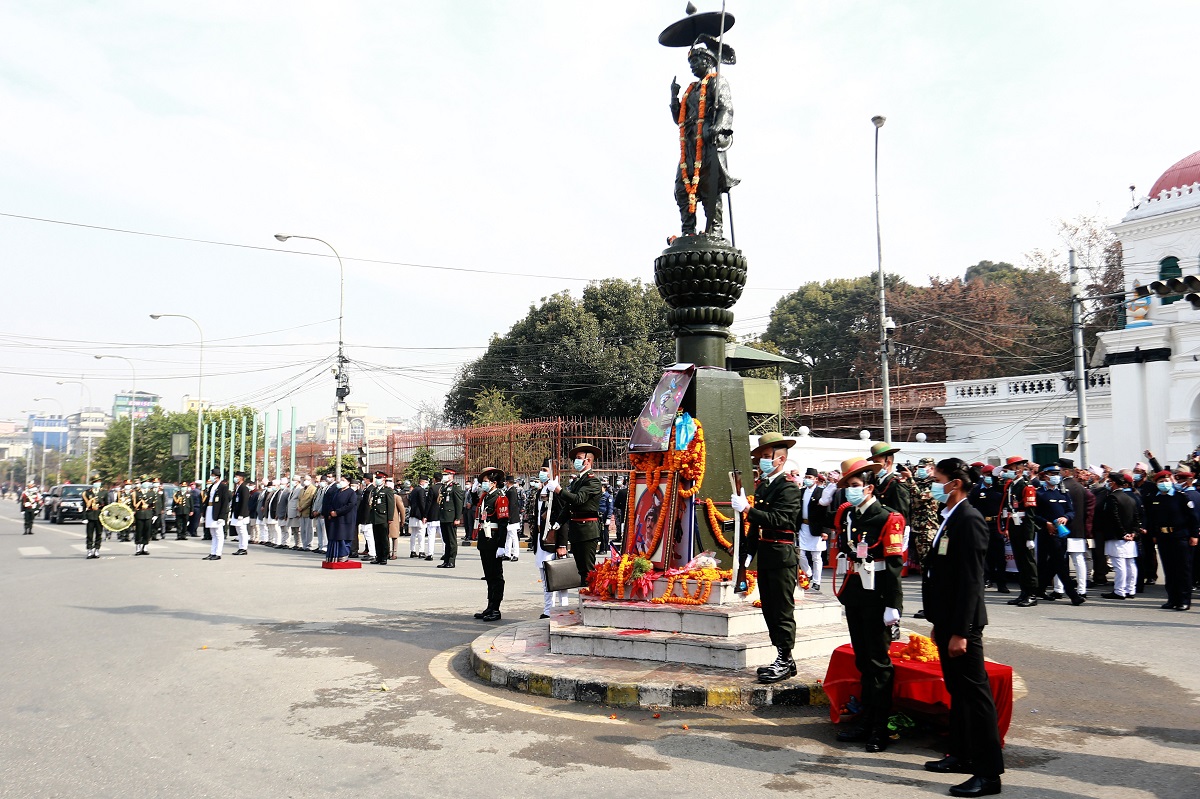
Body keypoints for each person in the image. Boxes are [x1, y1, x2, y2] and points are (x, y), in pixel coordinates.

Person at [921, 458, 1005, 797]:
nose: (933, 485)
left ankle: (988, 773)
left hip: (963, 626)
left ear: (954, 483)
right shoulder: (951, 517)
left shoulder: (968, 519)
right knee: (959, 692)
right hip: (948, 620)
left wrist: (960, 630)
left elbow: (972, 581)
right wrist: (942, 623)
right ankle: (962, 754)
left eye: (937, 479)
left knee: (975, 696)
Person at [831, 457, 905, 753]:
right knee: (863, 660)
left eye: (855, 486)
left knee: (878, 664)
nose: (850, 491)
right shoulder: (850, 516)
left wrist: (893, 605)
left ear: (870, 488)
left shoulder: (888, 518)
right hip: (856, 595)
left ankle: (880, 729)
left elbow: (895, 564)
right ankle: (864, 720)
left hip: (878, 598)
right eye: (848, 486)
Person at [731, 432, 803, 683]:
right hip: (766, 554)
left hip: (782, 557)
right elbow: (757, 526)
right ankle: (784, 658)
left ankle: (784, 657)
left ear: (780, 459)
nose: (761, 461)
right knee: (769, 609)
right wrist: (748, 553)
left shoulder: (788, 488)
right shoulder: (764, 485)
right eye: (760, 457)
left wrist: (749, 510)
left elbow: (782, 520)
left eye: (765, 457)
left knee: (782, 610)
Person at [668, 36, 736, 238]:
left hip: (707, 139)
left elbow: (726, 108)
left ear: (707, 61)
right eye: (690, 63)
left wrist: (718, 127)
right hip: (689, 143)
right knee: (682, 186)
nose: (692, 67)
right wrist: (674, 97)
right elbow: (678, 118)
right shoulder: (691, 89)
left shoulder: (717, 81)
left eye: (695, 62)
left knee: (709, 184)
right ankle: (687, 230)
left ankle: (714, 228)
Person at [548, 443, 603, 587]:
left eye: (579, 458)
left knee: (588, 571)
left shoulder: (593, 481)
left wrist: (559, 490)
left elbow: (578, 499)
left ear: (588, 461)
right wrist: (559, 522)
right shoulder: (578, 480)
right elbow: (569, 505)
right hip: (577, 529)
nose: (575, 461)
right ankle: (583, 600)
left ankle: (590, 601)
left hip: (587, 530)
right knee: (580, 569)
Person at [1144, 469, 1198, 610]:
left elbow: (1193, 518)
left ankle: (1184, 600)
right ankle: (1172, 599)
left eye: (1167, 481)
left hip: (1180, 536)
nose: (1164, 483)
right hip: (1163, 537)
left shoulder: (1181, 497)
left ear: (1171, 481)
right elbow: (1152, 519)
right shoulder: (1155, 499)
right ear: (1156, 484)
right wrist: (1154, 534)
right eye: (1161, 481)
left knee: (1182, 569)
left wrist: (1194, 535)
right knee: (1169, 569)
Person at [1033, 465, 1085, 605]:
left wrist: (1066, 518)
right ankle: (1073, 595)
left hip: (1062, 533)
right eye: (1052, 473)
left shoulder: (1063, 493)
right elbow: (1034, 514)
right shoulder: (1039, 494)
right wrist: (1046, 523)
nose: (1056, 476)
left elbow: (1071, 511)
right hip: (1047, 533)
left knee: (1054, 564)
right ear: (1045, 476)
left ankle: (1040, 589)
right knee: (1059, 564)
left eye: (1057, 473)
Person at [1000, 456, 1039, 607]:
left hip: (1024, 528)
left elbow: (1030, 514)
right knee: (1020, 563)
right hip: (1015, 527)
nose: (1007, 472)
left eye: (1010, 469)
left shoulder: (1026, 486)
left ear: (1019, 469)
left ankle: (1032, 594)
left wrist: (1029, 537)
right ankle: (1024, 592)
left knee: (1028, 563)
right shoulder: (1011, 486)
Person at [533, 460, 568, 618]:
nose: (542, 473)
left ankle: (564, 609)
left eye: (545, 470)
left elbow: (564, 520)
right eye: (541, 470)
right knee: (545, 576)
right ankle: (549, 610)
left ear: (553, 473)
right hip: (543, 539)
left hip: (554, 540)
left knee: (560, 578)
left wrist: (562, 544)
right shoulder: (541, 492)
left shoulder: (557, 492)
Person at [1101, 471, 1142, 601]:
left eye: (1109, 481)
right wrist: (1134, 533)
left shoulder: (1112, 498)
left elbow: (1114, 518)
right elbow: (1136, 518)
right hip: (1129, 537)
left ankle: (1119, 590)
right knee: (1130, 564)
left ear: (1113, 483)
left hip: (1117, 537)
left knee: (1119, 565)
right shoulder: (1130, 498)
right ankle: (1130, 589)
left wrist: (1122, 533)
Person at [473, 467, 508, 621]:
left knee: (496, 575)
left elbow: (503, 524)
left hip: (494, 540)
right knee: (488, 575)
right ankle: (489, 606)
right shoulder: (485, 497)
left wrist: (501, 545)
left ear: (494, 483)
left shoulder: (500, 498)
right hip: (485, 539)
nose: (483, 484)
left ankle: (496, 608)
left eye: (486, 482)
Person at [797, 467, 828, 592]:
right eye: (806, 477)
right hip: (803, 526)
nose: (807, 480)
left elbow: (826, 512)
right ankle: (808, 573)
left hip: (816, 528)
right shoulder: (801, 491)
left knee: (816, 556)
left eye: (810, 478)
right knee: (801, 554)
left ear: (816, 479)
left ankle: (817, 581)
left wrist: (825, 530)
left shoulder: (821, 492)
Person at [323, 474, 357, 562]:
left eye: (343, 480)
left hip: (345, 519)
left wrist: (337, 512)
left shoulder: (351, 492)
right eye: (341, 480)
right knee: (335, 536)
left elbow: (350, 505)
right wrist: (331, 511)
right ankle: (334, 556)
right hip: (335, 519)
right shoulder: (337, 491)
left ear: (348, 482)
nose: (341, 482)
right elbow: (330, 502)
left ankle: (343, 555)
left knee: (343, 538)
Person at [365, 470, 395, 565]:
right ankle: (378, 556)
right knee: (376, 538)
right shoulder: (374, 490)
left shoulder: (388, 490)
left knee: (383, 538)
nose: (377, 480)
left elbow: (390, 505)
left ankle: (384, 557)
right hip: (375, 517)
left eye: (379, 478)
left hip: (383, 517)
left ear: (384, 479)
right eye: (376, 478)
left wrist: (390, 518)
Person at [436, 469, 464, 568]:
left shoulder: (455, 487)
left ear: (451, 475)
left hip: (451, 517)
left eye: (446, 475)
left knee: (452, 540)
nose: (444, 476)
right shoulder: (444, 487)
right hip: (444, 517)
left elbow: (459, 504)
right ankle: (446, 560)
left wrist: (457, 518)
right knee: (446, 540)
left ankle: (451, 560)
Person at [203, 469, 231, 561]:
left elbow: (224, 503)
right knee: (213, 533)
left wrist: (222, 516)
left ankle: (218, 553)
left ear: (217, 476)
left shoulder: (223, 487)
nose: (211, 477)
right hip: (210, 509)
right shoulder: (211, 487)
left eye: (212, 475)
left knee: (219, 533)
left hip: (218, 512)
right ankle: (212, 552)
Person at [82, 475, 104, 559]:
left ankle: (97, 549)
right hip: (90, 515)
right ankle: (89, 550)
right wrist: (84, 517)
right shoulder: (87, 492)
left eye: (99, 481)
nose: (98, 483)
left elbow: (106, 504)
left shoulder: (103, 492)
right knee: (89, 534)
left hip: (99, 516)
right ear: (93, 483)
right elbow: (84, 506)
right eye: (96, 482)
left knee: (99, 533)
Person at [408, 477, 430, 559]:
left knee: (413, 533)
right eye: (426, 482)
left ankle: (412, 551)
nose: (427, 483)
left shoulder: (414, 490)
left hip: (413, 513)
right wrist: (424, 515)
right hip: (419, 514)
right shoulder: (421, 490)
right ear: (421, 482)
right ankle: (421, 551)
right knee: (421, 533)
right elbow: (422, 503)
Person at [230, 471, 251, 556]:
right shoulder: (238, 487)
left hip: (241, 514)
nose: (235, 478)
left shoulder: (244, 488)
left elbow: (244, 502)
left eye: (237, 476)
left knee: (242, 531)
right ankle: (240, 547)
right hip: (236, 512)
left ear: (241, 478)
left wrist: (241, 514)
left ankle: (244, 548)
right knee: (239, 531)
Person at [131, 479, 155, 556]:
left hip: (148, 514)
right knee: (139, 531)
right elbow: (133, 505)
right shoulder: (137, 493)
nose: (146, 483)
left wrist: (154, 514)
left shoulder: (151, 492)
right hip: (139, 514)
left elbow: (153, 504)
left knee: (147, 531)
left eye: (147, 482)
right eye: (144, 482)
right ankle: (138, 547)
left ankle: (145, 547)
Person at [502, 474, 522, 562]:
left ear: (508, 482)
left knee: (513, 536)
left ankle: (516, 554)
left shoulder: (512, 491)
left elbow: (512, 505)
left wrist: (509, 517)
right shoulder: (510, 490)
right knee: (509, 536)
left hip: (512, 517)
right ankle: (507, 553)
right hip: (510, 517)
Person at [386, 477, 406, 560]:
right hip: (384, 518)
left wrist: (402, 520)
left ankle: (394, 552)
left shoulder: (396, 497)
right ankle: (386, 552)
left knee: (394, 536)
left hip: (394, 519)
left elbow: (402, 510)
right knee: (385, 536)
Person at [298, 475, 316, 551]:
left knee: (309, 529)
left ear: (310, 480)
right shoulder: (302, 489)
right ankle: (304, 544)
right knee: (303, 529)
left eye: (307, 480)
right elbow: (298, 499)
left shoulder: (313, 489)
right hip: (301, 512)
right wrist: (298, 506)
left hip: (307, 511)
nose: (305, 481)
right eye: (304, 479)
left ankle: (309, 544)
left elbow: (310, 500)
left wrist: (302, 507)